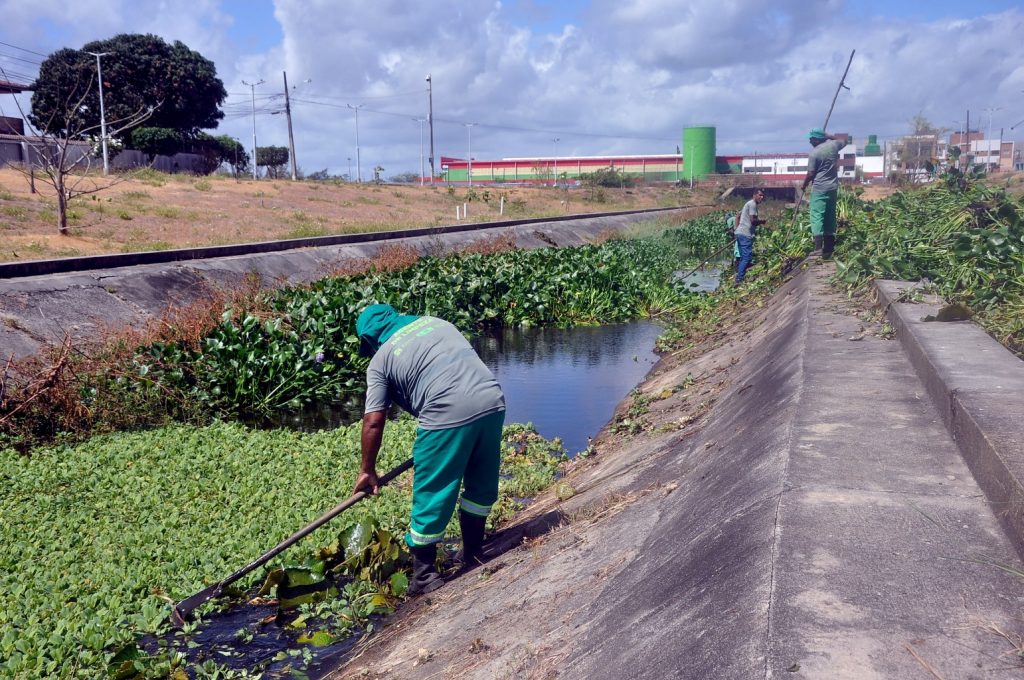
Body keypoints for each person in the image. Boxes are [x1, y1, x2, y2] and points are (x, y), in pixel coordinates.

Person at [353, 304, 506, 595]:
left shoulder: (381, 360)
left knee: (432, 492)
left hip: (445, 413)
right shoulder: (436, 322)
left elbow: (374, 421)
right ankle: (473, 551)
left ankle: (424, 575)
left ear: (370, 340)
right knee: (481, 483)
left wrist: (367, 470)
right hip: (491, 401)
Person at [800, 128, 847, 259]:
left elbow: (810, 173)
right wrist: (829, 136)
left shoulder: (814, 153)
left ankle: (818, 248)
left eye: (812, 139)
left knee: (817, 216)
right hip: (832, 187)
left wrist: (804, 185)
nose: (810, 141)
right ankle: (829, 247)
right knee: (830, 215)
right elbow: (845, 140)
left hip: (820, 188)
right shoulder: (833, 145)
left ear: (817, 139)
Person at [734, 189, 766, 283]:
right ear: (754, 195)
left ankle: (740, 274)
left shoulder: (749, 204)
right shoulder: (752, 204)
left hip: (740, 233)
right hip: (745, 234)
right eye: (760, 195)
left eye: (763, 196)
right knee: (746, 257)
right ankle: (739, 279)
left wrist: (736, 229)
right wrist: (762, 221)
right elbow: (753, 221)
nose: (762, 197)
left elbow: (738, 215)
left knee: (743, 257)